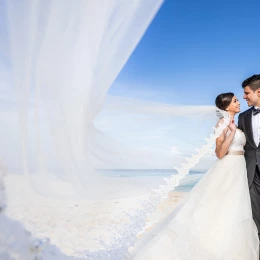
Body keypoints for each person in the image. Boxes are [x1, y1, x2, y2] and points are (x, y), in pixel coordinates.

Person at [131, 93, 259, 260]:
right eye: (235, 101)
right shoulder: (221, 124)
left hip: (241, 168)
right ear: (227, 106)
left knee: (236, 205)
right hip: (228, 166)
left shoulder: (240, 122)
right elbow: (219, 153)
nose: (238, 102)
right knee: (222, 204)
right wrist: (232, 133)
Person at [238, 74, 260, 256]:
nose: (244, 97)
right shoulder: (243, 117)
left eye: (246, 93)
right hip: (251, 173)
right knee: (255, 217)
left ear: (258, 92)